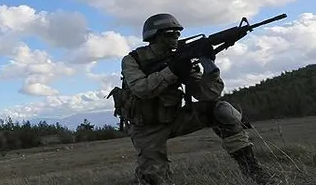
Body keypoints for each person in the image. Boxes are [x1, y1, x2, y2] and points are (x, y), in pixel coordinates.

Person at [119, 13, 278, 185]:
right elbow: (142, 89)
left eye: (177, 33)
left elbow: (207, 95)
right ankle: (144, 175)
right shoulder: (132, 60)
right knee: (154, 178)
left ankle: (254, 173)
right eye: (170, 33)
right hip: (146, 128)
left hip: (174, 118)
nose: (176, 37)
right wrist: (172, 71)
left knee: (222, 111)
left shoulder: (180, 59)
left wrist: (209, 64)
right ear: (154, 36)